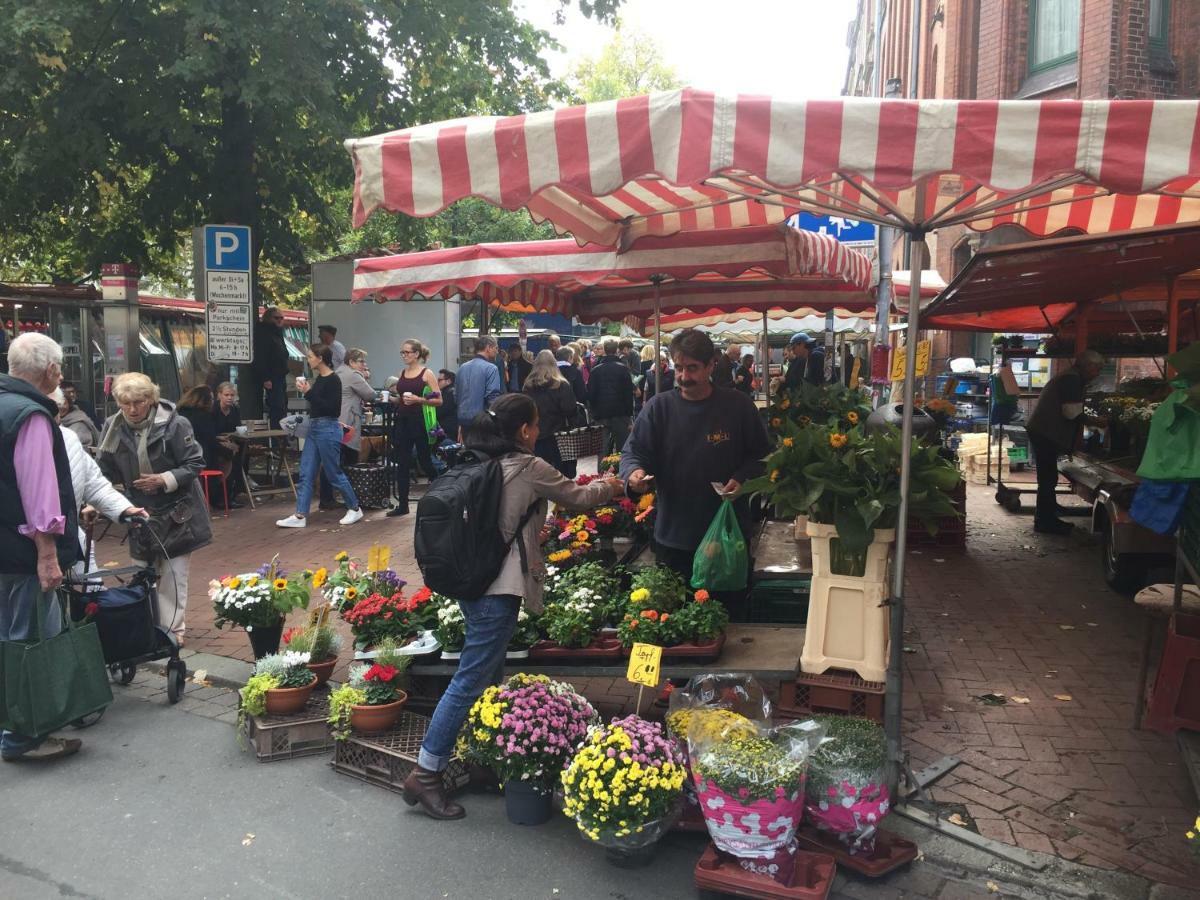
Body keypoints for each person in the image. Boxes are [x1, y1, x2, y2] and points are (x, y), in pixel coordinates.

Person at [402, 393, 623, 819]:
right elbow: (579, 499)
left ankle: (484, 760)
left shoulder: (475, 461)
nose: (539, 432)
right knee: (470, 679)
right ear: (524, 430)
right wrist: (611, 485)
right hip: (496, 589)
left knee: (489, 677)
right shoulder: (528, 467)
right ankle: (426, 773)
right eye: (536, 425)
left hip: (470, 582)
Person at [621, 329, 770, 583]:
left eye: (692, 368)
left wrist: (743, 477)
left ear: (711, 365)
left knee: (728, 615)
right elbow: (633, 451)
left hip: (727, 533)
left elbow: (763, 455)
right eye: (679, 368)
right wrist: (634, 473)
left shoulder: (738, 406)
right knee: (675, 614)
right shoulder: (658, 407)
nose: (683, 376)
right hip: (673, 535)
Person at [0, 334, 82, 761]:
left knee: (7, 637)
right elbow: (39, 496)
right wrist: (48, 556)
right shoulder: (30, 416)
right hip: (23, 552)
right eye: (60, 367)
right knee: (31, 639)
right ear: (49, 371)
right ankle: (24, 734)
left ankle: (11, 721)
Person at [97, 372, 212, 646]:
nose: (132, 410)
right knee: (142, 572)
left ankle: (172, 631)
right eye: (125, 404)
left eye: (138, 402)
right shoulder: (113, 426)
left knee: (174, 574)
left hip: (177, 511)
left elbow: (195, 463)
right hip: (140, 511)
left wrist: (163, 479)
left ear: (151, 399)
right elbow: (102, 468)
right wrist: (102, 499)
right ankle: (145, 626)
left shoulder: (176, 424)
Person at [54, 387, 146, 581]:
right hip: (23, 549)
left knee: (93, 592)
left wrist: (125, 509)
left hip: (69, 535)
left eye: (58, 409)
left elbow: (95, 483)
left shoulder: (69, 438)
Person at [275, 344, 365, 528]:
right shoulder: (321, 380)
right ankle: (300, 515)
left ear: (320, 358)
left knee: (333, 472)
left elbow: (331, 408)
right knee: (306, 473)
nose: (308, 360)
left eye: (310, 356)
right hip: (316, 427)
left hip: (327, 427)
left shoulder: (333, 380)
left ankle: (354, 508)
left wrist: (308, 392)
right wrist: (309, 392)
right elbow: (319, 404)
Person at [1026, 350, 1108, 535]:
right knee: (1047, 479)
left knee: (1048, 476)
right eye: (1097, 369)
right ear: (1088, 366)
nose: (1098, 374)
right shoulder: (1071, 380)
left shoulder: (1071, 377)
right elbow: (1071, 413)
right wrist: (1098, 422)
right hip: (1045, 432)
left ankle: (1049, 510)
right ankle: (1045, 521)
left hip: (1042, 430)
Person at [386, 339, 441, 518]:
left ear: (416, 354)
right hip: (402, 420)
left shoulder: (427, 374)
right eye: (402, 352)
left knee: (424, 460)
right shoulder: (402, 372)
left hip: (419, 421)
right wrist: (393, 399)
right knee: (402, 462)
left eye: (407, 352)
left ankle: (442, 487)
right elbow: (402, 398)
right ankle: (403, 504)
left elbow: (438, 400)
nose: (404, 355)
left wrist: (419, 400)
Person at [319, 347, 376, 510]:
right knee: (349, 459)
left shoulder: (339, 372)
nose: (364, 365)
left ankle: (327, 496)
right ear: (351, 362)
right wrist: (366, 377)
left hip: (335, 420)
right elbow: (370, 394)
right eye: (361, 361)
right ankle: (350, 496)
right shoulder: (353, 375)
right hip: (347, 423)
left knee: (331, 460)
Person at [176, 386, 245, 511]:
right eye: (212, 399)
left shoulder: (180, 412)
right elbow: (209, 441)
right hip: (200, 456)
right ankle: (222, 497)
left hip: (182, 455)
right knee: (229, 456)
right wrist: (229, 451)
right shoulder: (203, 416)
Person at [523, 349, 579, 477]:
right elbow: (569, 409)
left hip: (537, 435)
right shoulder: (561, 385)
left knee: (541, 472)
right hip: (560, 435)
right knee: (562, 474)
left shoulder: (528, 386)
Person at [588, 337, 635, 456]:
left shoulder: (595, 370)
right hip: (621, 413)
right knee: (622, 449)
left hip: (601, 414)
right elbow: (628, 394)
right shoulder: (623, 369)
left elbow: (591, 394)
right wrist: (629, 415)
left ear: (604, 350)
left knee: (601, 449)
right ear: (616, 350)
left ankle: (602, 472)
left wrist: (593, 413)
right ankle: (621, 472)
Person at [455, 335, 503, 436]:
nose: (497, 351)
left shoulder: (462, 367)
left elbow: (456, 396)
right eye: (496, 348)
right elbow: (492, 398)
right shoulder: (491, 368)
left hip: (463, 420)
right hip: (482, 422)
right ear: (488, 347)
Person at [211, 382, 248, 505]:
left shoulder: (235, 409)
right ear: (219, 395)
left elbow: (237, 427)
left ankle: (234, 492)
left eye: (232, 395)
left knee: (243, 453)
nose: (229, 398)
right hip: (215, 443)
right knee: (228, 454)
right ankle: (221, 497)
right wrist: (223, 441)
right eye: (226, 395)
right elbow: (209, 432)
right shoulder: (213, 409)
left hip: (232, 441)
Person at [252, 307, 291, 427]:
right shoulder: (264, 332)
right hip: (272, 376)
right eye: (276, 318)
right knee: (277, 407)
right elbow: (260, 356)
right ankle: (277, 437)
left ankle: (280, 435)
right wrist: (265, 377)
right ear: (269, 318)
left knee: (282, 405)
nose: (279, 320)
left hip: (280, 374)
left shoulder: (277, 332)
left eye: (281, 318)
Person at [58, 381, 100, 448]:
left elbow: (96, 425)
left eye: (73, 392)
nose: (72, 394)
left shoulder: (84, 408)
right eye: (68, 393)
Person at [436, 369, 458, 434]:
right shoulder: (451, 392)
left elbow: (439, 412)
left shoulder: (449, 394)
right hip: (449, 429)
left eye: (439, 380)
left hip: (448, 431)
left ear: (448, 381)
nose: (437, 382)